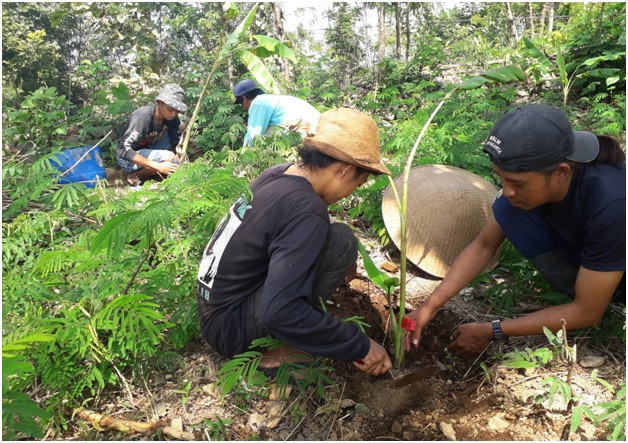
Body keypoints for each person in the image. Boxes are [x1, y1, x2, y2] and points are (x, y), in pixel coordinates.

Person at [403, 104, 626, 357]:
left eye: (518, 183)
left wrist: (493, 330)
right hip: (593, 249)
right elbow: (483, 245)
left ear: (561, 172)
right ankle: (583, 283)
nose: (507, 190)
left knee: (588, 302)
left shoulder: (613, 206)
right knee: (507, 209)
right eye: (502, 178)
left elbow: (588, 312)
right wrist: (430, 306)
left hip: (621, 276)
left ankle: (595, 289)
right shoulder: (537, 178)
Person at [197, 108, 393, 376]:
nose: (349, 194)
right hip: (233, 331)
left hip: (214, 312)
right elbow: (279, 311)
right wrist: (356, 343)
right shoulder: (307, 209)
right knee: (342, 242)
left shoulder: (279, 174)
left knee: (338, 237)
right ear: (346, 170)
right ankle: (267, 351)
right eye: (356, 185)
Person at [117, 84, 187, 184]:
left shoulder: (171, 118)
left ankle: (164, 163)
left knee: (182, 127)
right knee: (169, 157)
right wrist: (158, 166)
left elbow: (174, 137)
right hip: (129, 158)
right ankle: (136, 175)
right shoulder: (142, 118)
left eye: (177, 111)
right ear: (159, 103)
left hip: (150, 147)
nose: (173, 114)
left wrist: (178, 152)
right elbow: (122, 150)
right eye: (170, 109)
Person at [233, 80, 321, 147]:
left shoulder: (258, 103)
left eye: (241, 103)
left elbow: (254, 136)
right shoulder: (269, 99)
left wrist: (243, 159)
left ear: (244, 98)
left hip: (304, 129)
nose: (242, 106)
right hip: (319, 126)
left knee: (264, 134)